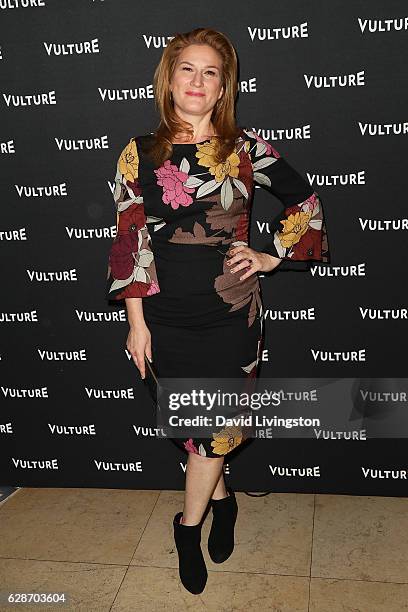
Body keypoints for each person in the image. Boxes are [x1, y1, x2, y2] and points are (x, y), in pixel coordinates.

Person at [105, 27, 329, 595]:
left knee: (212, 434)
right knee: (196, 431)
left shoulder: (244, 149)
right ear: (169, 77)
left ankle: (187, 528)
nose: (197, 81)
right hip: (164, 318)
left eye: (210, 72)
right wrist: (137, 326)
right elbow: (132, 242)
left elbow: (304, 200)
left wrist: (271, 256)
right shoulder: (140, 153)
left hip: (231, 316)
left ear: (224, 85)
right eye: (187, 69)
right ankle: (224, 506)